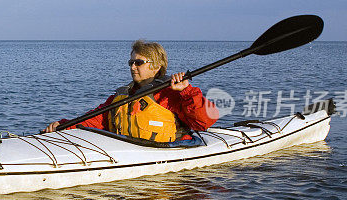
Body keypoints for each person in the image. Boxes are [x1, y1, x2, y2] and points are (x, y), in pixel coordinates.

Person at [43, 40, 218, 141]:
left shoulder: (170, 94)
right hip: (130, 152)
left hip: (171, 154)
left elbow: (205, 122)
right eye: (131, 62)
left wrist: (187, 91)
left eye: (139, 62)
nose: (133, 67)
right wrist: (64, 125)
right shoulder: (122, 96)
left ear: (156, 66)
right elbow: (95, 120)